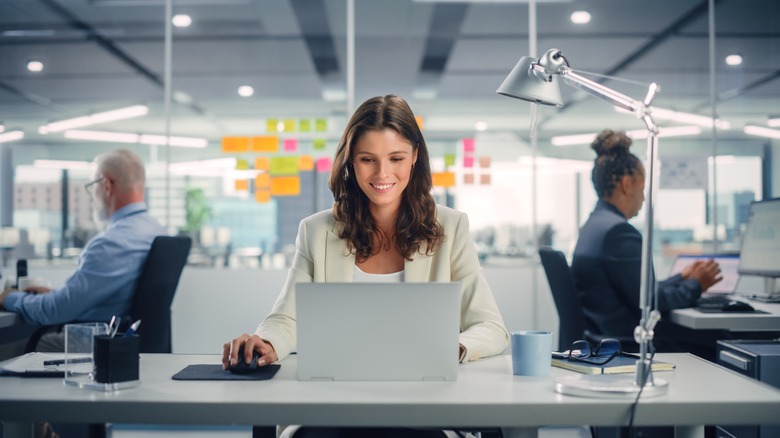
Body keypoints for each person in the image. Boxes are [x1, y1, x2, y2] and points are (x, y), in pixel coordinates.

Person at [223, 94, 509, 437]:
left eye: (396, 158)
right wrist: (265, 343)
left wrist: (455, 346)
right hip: (333, 406)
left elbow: (490, 327)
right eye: (367, 159)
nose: (382, 173)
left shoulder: (451, 227)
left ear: (415, 157)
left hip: (425, 407)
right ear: (350, 163)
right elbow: (287, 318)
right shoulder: (316, 231)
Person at [571, 129, 723, 358]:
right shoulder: (618, 232)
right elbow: (651, 304)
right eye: (642, 187)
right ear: (625, 184)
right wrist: (697, 285)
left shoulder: (594, 226)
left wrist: (681, 278)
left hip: (603, 341)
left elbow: (639, 291)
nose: (643, 197)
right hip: (630, 346)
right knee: (721, 341)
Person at [0, 149, 167, 352]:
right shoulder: (155, 230)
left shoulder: (111, 243)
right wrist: (57, 294)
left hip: (98, 343)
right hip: (124, 341)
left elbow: (55, 311)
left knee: (10, 348)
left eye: (92, 186)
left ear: (106, 185)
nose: (92, 195)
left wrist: (9, 297)